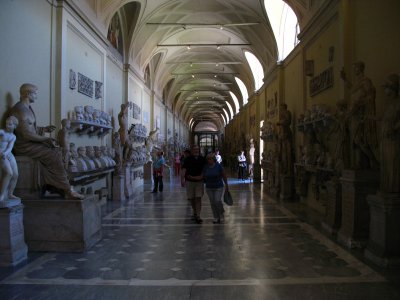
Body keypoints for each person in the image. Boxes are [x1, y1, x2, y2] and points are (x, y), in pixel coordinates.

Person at [8, 83, 84, 199]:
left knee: (57, 150)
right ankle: (67, 189)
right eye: (35, 93)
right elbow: (25, 134)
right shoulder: (20, 110)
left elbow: (31, 129)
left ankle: (57, 186)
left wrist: (44, 129)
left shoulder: (27, 108)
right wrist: (46, 138)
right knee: (54, 155)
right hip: (24, 146)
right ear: (28, 94)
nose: (36, 96)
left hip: (30, 143)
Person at [341, 61, 378, 169]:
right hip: (355, 114)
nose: (354, 70)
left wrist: (360, 103)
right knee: (357, 140)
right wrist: (344, 79)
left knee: (359, 139)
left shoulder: (366, 81)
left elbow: (370, 95)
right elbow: (352, 89)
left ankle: (374, 161)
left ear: (360, 68)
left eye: (355, 68)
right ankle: (364, 162)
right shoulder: (358, 81)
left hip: (361, 114)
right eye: (354, 68)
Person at [380, 74, 400, 193]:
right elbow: (382, 117)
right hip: (385, 138)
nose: (384, 90)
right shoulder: (387, 103)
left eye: (386, 87)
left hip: (393, 139)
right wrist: (368, 117)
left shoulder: (398, 102)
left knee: (393, 164)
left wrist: (394, 128)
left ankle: (393, 189)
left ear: (392, 88)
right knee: (385, 165)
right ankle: (387, 188)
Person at [181, 145, 206, 223]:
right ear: (192, 150)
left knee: (198, 198)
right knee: (191, 198)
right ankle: (195, 212)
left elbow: (205, 169)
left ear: (199, 150)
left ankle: (198, 215)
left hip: (199, 181)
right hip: (190, 181)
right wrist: (182, 179)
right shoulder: (188, 159)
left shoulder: (202, 159)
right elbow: (184, 169)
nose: (196, 151)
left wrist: (201, 176)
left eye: (197, 149)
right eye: (195, 149)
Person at [203, 153, 229, 224]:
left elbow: (224, 175)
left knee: (217, 201)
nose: (209, 160)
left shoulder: (218, 166)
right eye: (208, 159)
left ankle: (221, 214)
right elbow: (203, 175)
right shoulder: (206, 167)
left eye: (210, 159)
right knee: (212, 203)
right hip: (209, 187)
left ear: (213, 159)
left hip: (218, 186)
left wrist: (226, 184)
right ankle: (216, 217)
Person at [0, 116, 20, 205]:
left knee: (15, 174)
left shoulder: (13, 136)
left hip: (8, 154)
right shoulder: (2, 132)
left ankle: (10, 193)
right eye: (6, 124)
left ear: (15, 126)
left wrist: (6, 153)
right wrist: (2, 153)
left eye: (10, 124)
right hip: (1, 154)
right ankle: (1, 195)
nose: (7, 126)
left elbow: (10, 147)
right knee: (9, 173)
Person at [277, 103, 293, 176]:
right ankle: (284, 168)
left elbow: (288, 121)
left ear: (284, 107)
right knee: (282, 152)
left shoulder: (287, 112)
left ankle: (287, 169)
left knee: (286, 153)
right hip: (282, 134)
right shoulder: (282, 114)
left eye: (281, 107)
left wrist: (280, 122)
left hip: (286, 134)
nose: (280, 109)